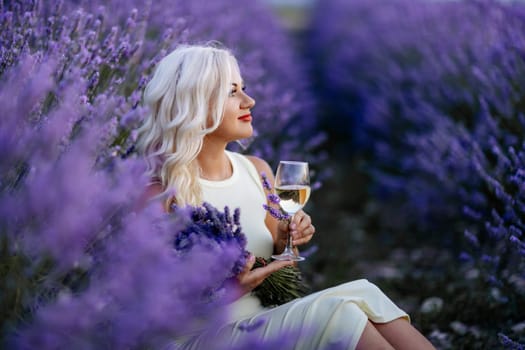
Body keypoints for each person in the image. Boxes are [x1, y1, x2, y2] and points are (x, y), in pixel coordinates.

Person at [137, 43, 436, 350]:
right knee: (340, 312)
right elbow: (146, 308)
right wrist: (225, 292)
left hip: (268, 323)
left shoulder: (256, 170)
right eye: (232, 92)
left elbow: (285, 282)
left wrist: (285, 240)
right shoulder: (158, 192)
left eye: (244, 89)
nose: (249, 101)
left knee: (364, 292)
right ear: (195, 105)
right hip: (206, 338)